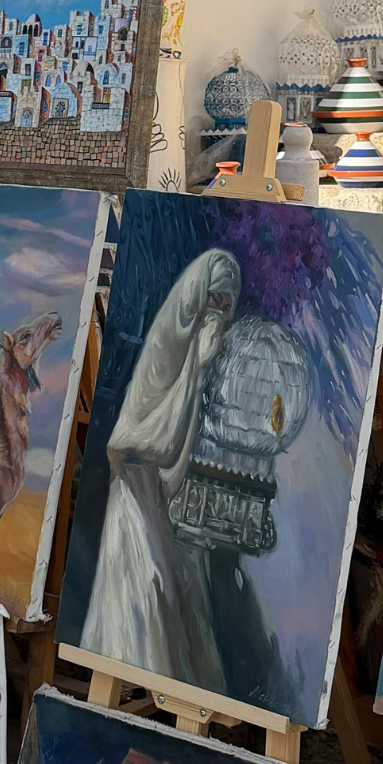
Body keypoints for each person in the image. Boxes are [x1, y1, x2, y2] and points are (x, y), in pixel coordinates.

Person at [78, 249, 239, 692]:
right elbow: (154, 424)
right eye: (214, 301)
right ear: (197, 297)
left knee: (182, 592)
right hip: (135, 476)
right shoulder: (172, 340)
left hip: (167, 489)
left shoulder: (203, 346)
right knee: (146, 583)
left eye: (227, 304)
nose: (220, 312)